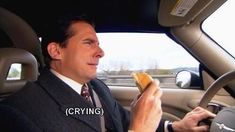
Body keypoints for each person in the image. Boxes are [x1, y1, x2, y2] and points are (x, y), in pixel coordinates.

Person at [0, 14, 215, 132]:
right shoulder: (19, 113)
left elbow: (122, 120)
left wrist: (175, 127)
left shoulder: (96, 88)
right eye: (88, 43)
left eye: (99, 44)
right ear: (56, 51)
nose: (101, 52)